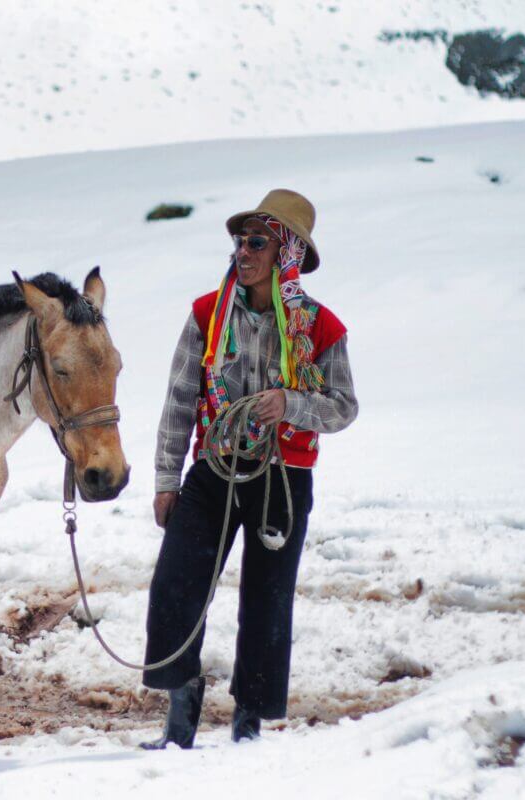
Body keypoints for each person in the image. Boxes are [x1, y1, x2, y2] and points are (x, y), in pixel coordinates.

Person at [140, 189, 358, 749]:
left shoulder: (321, 329)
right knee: (175, 583)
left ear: (285, 251)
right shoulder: (207, 315)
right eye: (241, 239)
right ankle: (180, 706)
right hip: (214, 469)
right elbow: (180, 399)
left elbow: (343, 406)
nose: (244, 250)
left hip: (282, 476)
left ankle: (249, 722)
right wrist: (167, 481)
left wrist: (292, 404)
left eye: (258, 241)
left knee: (267, 597)